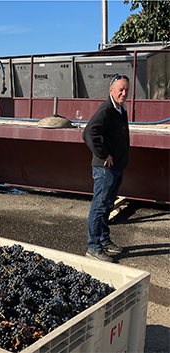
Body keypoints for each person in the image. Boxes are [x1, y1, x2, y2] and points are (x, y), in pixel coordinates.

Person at [82, 75, 130, 262]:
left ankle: (104, 240)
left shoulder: (120, 109)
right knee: (100, 207)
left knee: (108, 205)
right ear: (111, 90)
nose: (124, 93)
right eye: (120, 89)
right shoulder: (107, 109)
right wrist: (103, 154)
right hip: (105, 169)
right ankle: (93, 247)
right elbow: (89, 132)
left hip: (117, 168)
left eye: (126, 89)